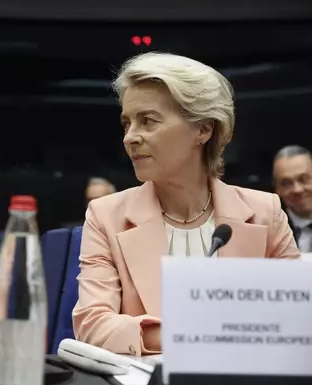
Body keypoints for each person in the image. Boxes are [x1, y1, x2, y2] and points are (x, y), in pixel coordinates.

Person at [72, 52, 300, 356]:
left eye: (148, 121)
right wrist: (200, 334)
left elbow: (298, 318)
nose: (130, 137)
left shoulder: (265, 213)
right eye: (127, 123)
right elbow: (92, 325)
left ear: (203, 129)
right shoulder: (105, 216)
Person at [272, 145, 312, 252]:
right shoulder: (271, 232)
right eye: (286, 183)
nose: (297, 189)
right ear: (277, 190)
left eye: (303, 179)